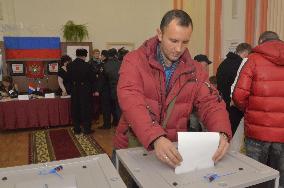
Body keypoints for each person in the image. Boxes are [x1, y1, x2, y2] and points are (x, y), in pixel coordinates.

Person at [114, 10, 232, 168]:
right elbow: (132, 102)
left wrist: (221, 131)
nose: (179, 49)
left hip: (172, 149)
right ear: (160, 34)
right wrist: (156, 137)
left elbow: (210, 102)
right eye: (174, 40)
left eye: (185, 42)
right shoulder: (134, 61)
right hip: (134, 147)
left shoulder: (195, 70)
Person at [233, 31, 284, 188]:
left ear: (261, 42)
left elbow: (238, 95)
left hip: (257, 132)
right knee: (280, 178)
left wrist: (250, 110)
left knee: (256, 177)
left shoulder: (253, 60)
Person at [216, 43, 251, 134]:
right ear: (246, 53)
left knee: (225, 132)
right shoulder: (241, 65)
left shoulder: (223, 63)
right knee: (235, 135)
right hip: (234, 105)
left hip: (221, 103)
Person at [67, 49, 95, 134]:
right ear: (84, 56)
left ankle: (76, 129)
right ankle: (87, 129)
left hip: (74, 89)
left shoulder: (70, 65)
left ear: (76, 55)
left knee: (75, 108)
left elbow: (68, 79)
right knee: (86, 109)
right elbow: (92, 79)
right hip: (85, 90)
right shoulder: (87, 65)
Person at [104, 48, 122, 127]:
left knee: (113, 108)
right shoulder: (121, 63)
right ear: (115, 55)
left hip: (110, 89)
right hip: (121, 88)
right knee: (119, 108)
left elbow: (104, 78)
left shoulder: (106, 65)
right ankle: (120, 124)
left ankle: (115, 122)